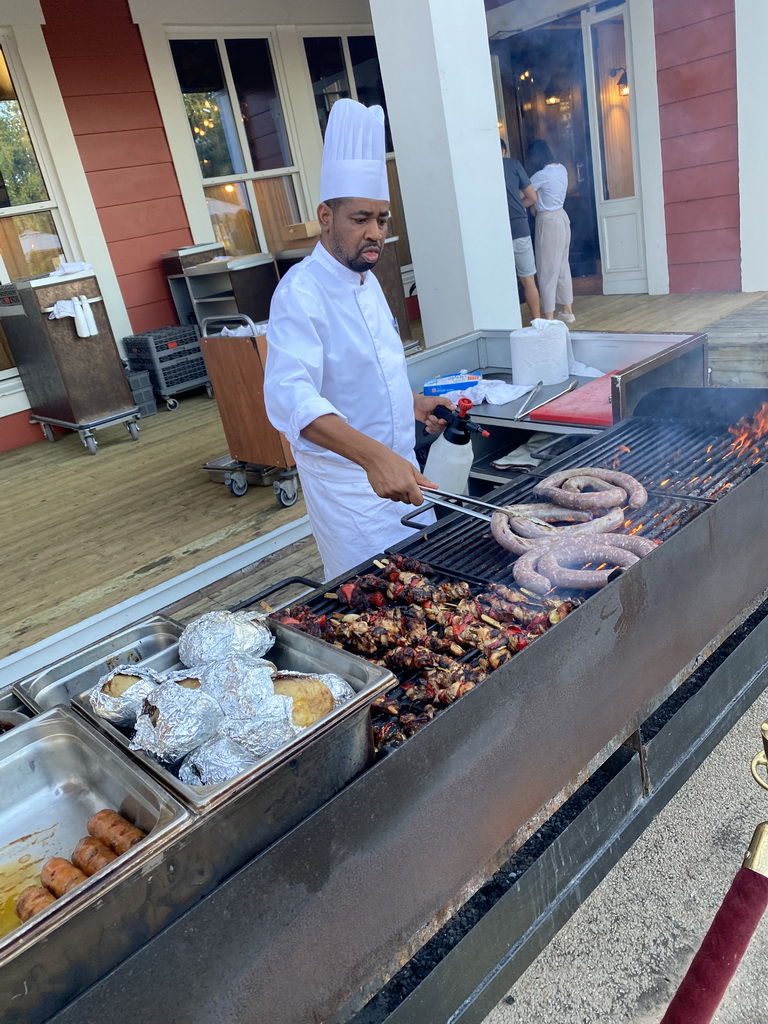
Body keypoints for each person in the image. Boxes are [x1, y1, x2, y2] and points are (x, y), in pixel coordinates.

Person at [263, 99, 449, 581]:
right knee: (376, 606)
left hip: (403, 473)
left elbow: (357, 373)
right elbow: (291, 398)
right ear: (326, 215)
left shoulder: (366, 278)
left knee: (431, 597)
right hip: (350, 492)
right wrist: (372, 456)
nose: (374, 234)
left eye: (382, 221)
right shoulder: (299, 293)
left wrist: (411, 404)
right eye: (360, 218)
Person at [527, 138, 574, 324]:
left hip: (547, 220)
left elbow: (524, 193)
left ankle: (548, 315)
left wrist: (532, 204)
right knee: (563, 265)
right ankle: (567, 310)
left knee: (546, 268)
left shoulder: (541, 174)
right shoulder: (562, 169)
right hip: (562, 217)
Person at [500, 139, 540, 321]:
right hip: (519, 228)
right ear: (503, 151)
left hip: (494, 232)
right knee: (528, 279)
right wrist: (519, 206)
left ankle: (507, 323)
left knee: (501, 281)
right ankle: (537, 321)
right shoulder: (513, 164)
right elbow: (532, 197)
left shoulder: (479, 169)